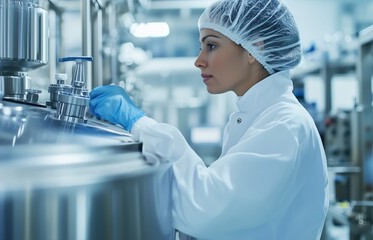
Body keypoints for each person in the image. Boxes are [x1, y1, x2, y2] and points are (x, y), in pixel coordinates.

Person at [89, 0, 329, 239]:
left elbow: (204, 209)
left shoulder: (284, 125)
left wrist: (138, 122)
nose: (199, 60)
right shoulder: (257, 116)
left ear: (254, 49)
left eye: (211, 46)